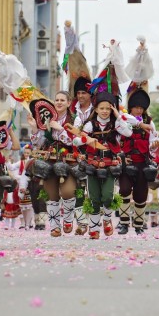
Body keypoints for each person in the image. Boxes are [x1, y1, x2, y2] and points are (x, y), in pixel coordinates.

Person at [73, 92, 132, 239]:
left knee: (107, 196)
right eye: (102, 108)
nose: (105, 111)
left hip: (110, 164)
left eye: (108, 108)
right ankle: (94, 229)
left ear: (111, 109)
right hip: (92, 164)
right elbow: (76, 141)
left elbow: (128, 133)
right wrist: (87, 139)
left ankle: (106, 220)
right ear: (96, 109)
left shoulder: (116, 124)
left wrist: (119, 116)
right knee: (94, 198)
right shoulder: (89, 125)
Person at [29, 91, 78, 237]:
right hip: (49, 159)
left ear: (69, 103)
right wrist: (34, 128)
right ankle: (55, 227)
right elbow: (38, 143)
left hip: (68, 160)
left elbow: (74, 141)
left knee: (68, 191)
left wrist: (59, 128)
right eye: (56, 99)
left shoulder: (75, 120)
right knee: (51, 195)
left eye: (63, 100)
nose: (59, 102)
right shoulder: (46, 118)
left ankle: (68, 221)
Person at [117, 88, 157, 235]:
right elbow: (117, 141)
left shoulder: (150, 123)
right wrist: (121, 156)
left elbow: (154, 140)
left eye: (141, 108)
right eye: (136, 108)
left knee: (141, 194)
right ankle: (123, 223)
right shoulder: (123, 120)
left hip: (143, 163)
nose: (139, 110)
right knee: (124, 190)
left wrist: (154, 146)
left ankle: (139, 225)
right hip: (127, 162)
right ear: (131, 108)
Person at [72, 77, 93, 235]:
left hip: (95, 153)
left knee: (92, 190)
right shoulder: (72, 111)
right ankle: (81, 223)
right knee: (78, 190)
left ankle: (93, 223)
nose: (80, 96)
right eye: (78, 93)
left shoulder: (98, 109)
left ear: (90, 94)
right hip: (77, 153)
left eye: (84, 93)